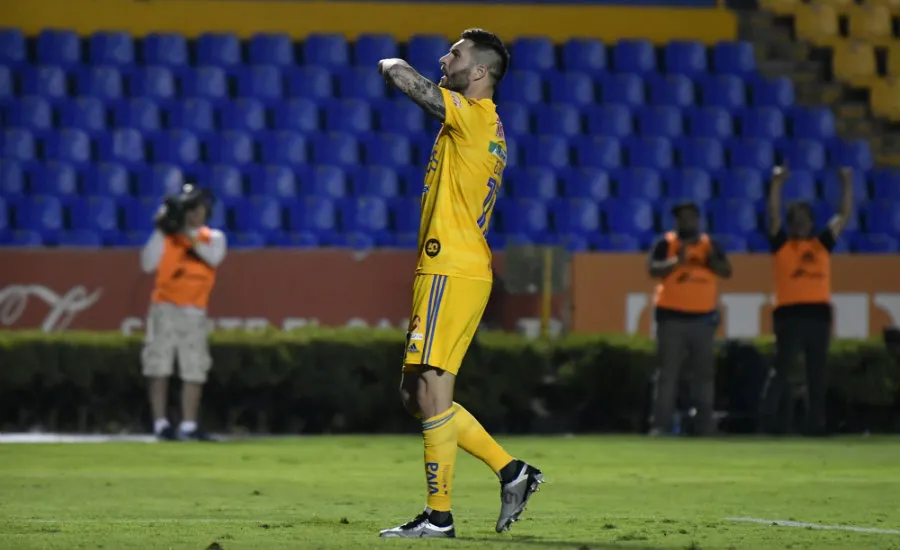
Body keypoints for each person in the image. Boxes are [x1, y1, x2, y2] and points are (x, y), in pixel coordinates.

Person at [376, 29, 543, 539]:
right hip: (449, 266)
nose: (445, 59)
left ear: (479, 73)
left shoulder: (472, 116)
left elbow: (416, 87)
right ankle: (512, 472)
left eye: (456, 54)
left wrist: (390, 63)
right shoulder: (481, 124)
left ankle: (439, 517)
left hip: (452, 265)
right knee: (415, 393)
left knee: (431, 388)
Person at [759, 165, 853, 436]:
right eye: (795, 219)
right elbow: (773, 215)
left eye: (804, 219)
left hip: (818, 314)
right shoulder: (782, 245)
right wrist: (776, 185)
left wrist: (846, 183)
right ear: (790, 224)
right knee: (782, 369)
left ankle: (816, 425)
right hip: (789, 314)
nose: (800, 223)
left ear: (811, 223)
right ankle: (767, 421)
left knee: (817, 373)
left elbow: (844, 215)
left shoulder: (821, 245)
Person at [140, 184, 227, 441]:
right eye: (188, 209)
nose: (193, 214)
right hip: (164, 307)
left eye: (197, 208)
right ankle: (160, 424)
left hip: (194, 310)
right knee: (159, 365)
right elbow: (146, 264)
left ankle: (189, 425)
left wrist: (187, 234)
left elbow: (213, 258)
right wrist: (161, 227)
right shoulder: (166, 236)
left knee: (194, 368)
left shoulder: (213, 238)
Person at [646, 201, 732, 436]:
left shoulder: (709, 245)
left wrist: (711, 260)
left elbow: (727, 271)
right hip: (671, 317)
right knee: (667, 375)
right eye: (681, 218)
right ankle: (660, 425)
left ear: (698, 220)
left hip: (703, 318)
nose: (686, 222)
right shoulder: (666, 243)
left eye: (690, 217)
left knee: (703, 375)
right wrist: (677, 261)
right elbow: (653, 270)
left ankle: (704, 427)